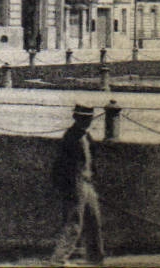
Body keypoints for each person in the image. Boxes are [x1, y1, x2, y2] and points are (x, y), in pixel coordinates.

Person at [51, 104, 104, 266]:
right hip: (76, 183)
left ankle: (95, 259)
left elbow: (91, 160)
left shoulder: (86, 136)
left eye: (88, 118)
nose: (87, 121)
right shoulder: (71, 137)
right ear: (76, 118)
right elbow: (62, 165)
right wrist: (69, 187)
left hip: (87, 182)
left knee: (94, 220)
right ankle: (58, 260)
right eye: (84, 118)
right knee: (74, 222)